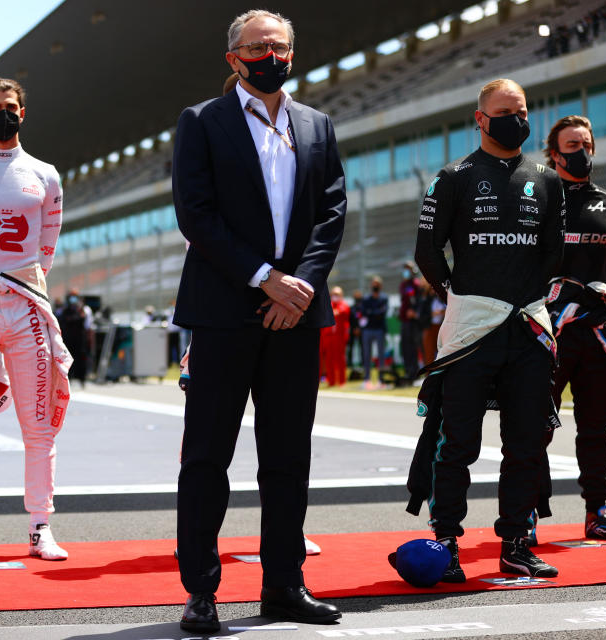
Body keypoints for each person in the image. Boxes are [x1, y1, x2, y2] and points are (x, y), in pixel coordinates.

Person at [172, 10, 346, 631]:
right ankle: (202, 590)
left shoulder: (317, 125)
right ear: (233, 58)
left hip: (295, 316)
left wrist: (297, 288)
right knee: (207, 458)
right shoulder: (202, 121)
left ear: (293, 54)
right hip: (223, 313)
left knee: (287, 458)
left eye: (278, 46)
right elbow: (196, 214)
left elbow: (332, 212)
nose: (268, 54)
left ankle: (284, 586)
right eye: (255, 47)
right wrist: (264, 279)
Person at [414, 78, 566, 581]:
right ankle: (446, 540)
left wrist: (525, 293)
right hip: (472, 326)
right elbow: (427, 251)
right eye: (504, 111)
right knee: (457, 441)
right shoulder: (453, 176)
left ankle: (516, 542)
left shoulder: (546, 178)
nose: (515, 119)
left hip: (527, 324)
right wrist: (458, 295)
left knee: (526, 440)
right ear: (480, 119)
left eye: (521, 111)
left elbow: (553, 252)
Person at [0, 76, 72, 560]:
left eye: (11, 106)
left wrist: (22, 284)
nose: (4, 113)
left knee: (38, 421)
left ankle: (40, 525)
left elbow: (47, 244)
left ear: (23, 113)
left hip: (26, 304)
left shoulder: (45, 174)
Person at [541, 115, 606, 541]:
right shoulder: (538, 195)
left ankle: (597, 513)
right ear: (554, 153)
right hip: (548, 332)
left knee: (597, 428)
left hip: (596, 331)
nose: (582, 151)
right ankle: (525, 518)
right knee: (535, 426)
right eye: (572, 145)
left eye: (586, 143)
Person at [360, 276, 388, 388]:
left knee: (381, 355)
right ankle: (367, 379)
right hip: (367, 330)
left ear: (380, 286)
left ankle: (381, 380)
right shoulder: (366, 298)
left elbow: (383, 313)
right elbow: (364, 312)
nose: (375, 286)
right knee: (367, 355)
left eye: (377, 284)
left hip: (379, 330)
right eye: (373, 284)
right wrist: (375, 313)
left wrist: (371, 313)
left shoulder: (384, 298)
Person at [320, 286, 350, 386]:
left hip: (339, 337)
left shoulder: (344, 305)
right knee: (329, 359)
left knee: (340, 359)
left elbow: (342, 312)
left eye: (337, 294)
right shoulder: (330, 305)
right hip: (329, 337)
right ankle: (331, 381)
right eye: (333, 294)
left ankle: (342, 381)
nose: (334, 296)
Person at [398, 262, 423, 381]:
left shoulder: (416, 284)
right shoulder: (403, 285)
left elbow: (420, 301)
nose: (405, 272)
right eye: (404, 269)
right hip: (404, 320)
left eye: (408, 269)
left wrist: (415, 312)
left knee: (414, 347)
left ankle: (415, 373)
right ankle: (408, 372)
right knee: (405, 347)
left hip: (414, 322)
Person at [348, 290, 363, 370]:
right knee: (351, 347)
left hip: (361, 330)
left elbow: (364, 319)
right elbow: (350, 319)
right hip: (353, 330)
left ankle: (363, 363)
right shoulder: (352, 308)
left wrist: (359, 328)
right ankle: (350, 363)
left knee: (362, 347)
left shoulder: (363, 307)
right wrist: (354, 328)